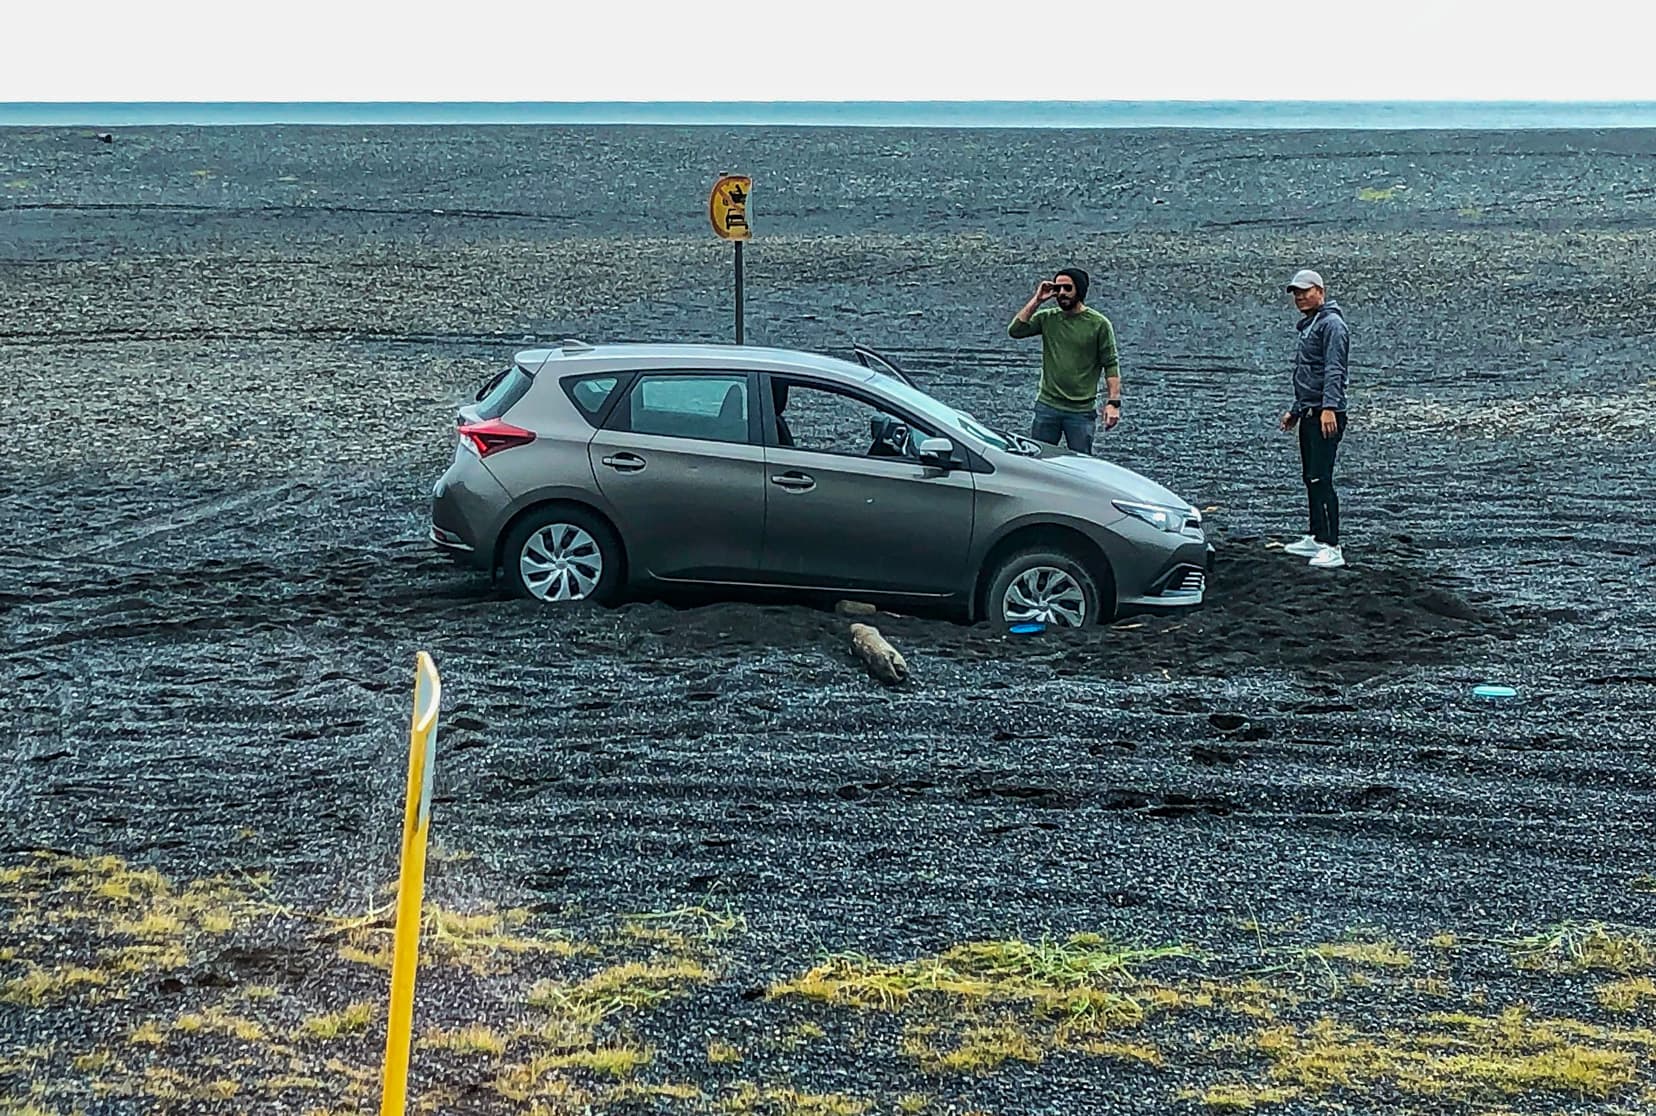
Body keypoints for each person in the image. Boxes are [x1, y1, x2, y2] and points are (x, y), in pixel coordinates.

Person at [1278, 269, 1350, 569]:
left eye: (1305, 291)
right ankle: (1316, 536)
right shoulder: (1311, 324)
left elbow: (1335, 370)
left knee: (1322, 478)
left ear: (1321, 291)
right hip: (1309, 411)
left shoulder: (1332, 325)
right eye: (1296, 292)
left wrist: (1329, 408)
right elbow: (1308, 374)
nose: (1300, 297)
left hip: (1325, 414)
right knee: (1310, 477)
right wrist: (1296, 409)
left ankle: (1333, 545)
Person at [1007, 267, 1121, 452]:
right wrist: (1037, 300)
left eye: (1067, 288)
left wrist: (1113, 403)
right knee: (1038, 462)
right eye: (1057, 289)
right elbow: (1015, 331)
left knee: (1081, 466)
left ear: (1080, 290)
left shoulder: (1099, 324)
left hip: (1081, 412)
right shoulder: (1048, 318)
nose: (1061, 293)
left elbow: (1110, 364)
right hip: (1048, 406)